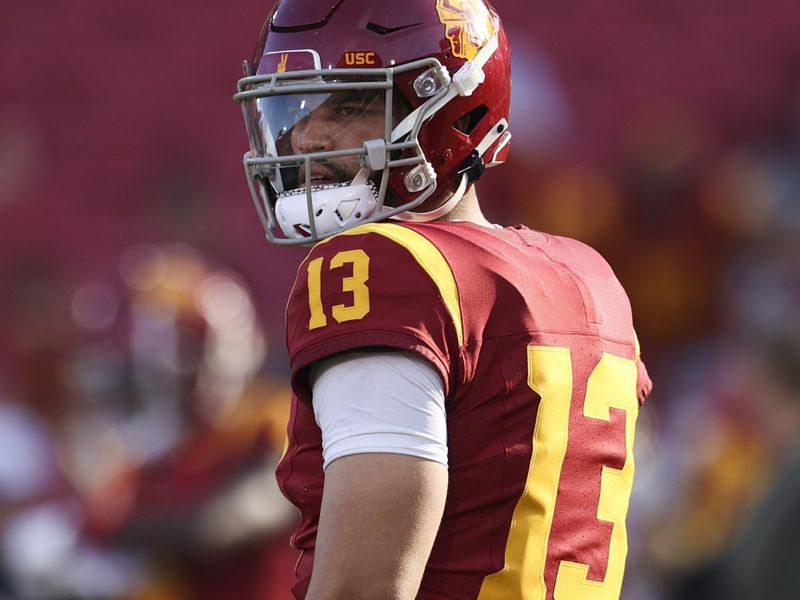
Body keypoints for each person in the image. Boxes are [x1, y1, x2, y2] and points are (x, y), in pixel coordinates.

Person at [233, 0, 652, 598]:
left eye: (349, 105)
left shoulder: (378, 266)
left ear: (451, 111)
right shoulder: (589, 276)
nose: (305, 134)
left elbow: (364, 587)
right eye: (297, 107)